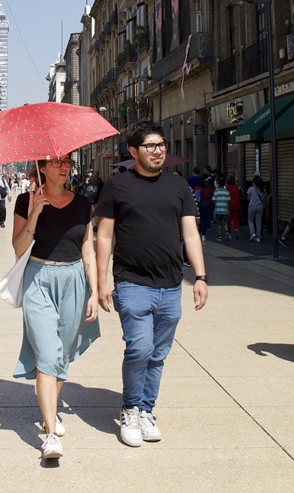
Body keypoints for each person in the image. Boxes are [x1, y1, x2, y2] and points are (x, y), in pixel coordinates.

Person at [95, 121, 208, 448]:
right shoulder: (117, 186)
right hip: (132, 282)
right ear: (133, 151)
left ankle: (146, 410)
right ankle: (130, 408)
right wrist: (102, 281)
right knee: (140, 348)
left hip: (171, 284)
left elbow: (190, 233)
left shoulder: (178, 187)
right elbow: (104, 235)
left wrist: (200, 276)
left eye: (161, 145)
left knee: (158, 354)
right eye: (150, 146)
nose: (158, 151)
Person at [12, 153, 100, 460]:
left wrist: (94, 290)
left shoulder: (82, 204)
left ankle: (51, 410)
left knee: (61, 354)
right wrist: (35, 213)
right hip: (39, 278)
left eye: (67, 162)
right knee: (47, 354)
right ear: (42, 167)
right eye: (57, 162)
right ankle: (50, 434)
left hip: (74, 279)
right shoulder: (26, 200)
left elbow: (88, 248)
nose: (64, 167)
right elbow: (18, 248)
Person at [245, 175, 266, 242]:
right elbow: (263, 198)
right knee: (258, 222)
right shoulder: (263, 189)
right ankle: (258, 237)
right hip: (260, 206)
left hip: (252, 206)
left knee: (250, 220)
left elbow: (248, 198)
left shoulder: (250, 189)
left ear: (254, 182)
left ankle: (253, 233)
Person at [212, 177, 231, 241]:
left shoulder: (216, 191)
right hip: (225, 209)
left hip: (218, 209)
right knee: (225, 222)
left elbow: (213, 200)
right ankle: (226, 232)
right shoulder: (227, 192)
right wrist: (228, 210)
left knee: (219, 223)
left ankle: (219, 235)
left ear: (218, 184)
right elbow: (228, 201)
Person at [226, 174, 242, 239]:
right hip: (236, 204)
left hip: (229, 204)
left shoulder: (226, 187)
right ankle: (236, 228)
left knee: (229, 219)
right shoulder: (237, 187)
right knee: (236, 218)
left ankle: (229, 233)